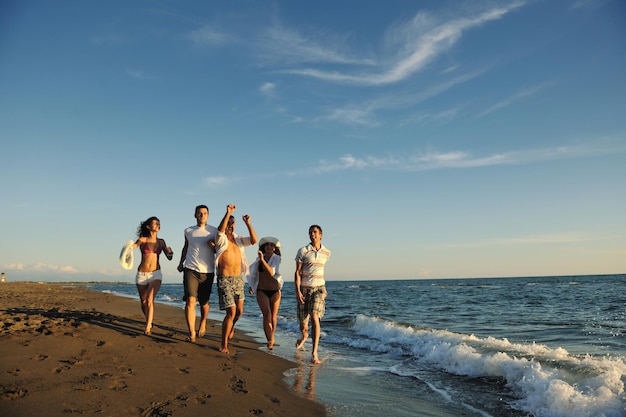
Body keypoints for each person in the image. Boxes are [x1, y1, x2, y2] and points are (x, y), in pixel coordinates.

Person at [215, 204, 258, 353]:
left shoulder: (238, 240)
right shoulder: (220, 239)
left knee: (239, 311)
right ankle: (224, 344)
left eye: (233, 224)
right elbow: (220, 230)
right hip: (224, 279)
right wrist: (228, 213)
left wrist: (248, 223)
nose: (231, 226)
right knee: (231, 311)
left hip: (238, 279)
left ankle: (231, 326)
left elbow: (254, 240)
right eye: (229, 223)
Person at [177, 205, 218, 342]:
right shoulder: (188, 231)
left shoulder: (214, 231)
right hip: (190, 269)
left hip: (208, 271)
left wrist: (214, 247)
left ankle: (203, 321)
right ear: (195, 215)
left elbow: (219, 250)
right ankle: (192, 333)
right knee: (190, 300)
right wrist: (180, 262)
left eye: (205, 213)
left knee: (204, 302)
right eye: (199, 213)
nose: (202, 215)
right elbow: (186, 247)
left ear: (208, 215)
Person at [294, 225, 331, 364]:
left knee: (315, 316)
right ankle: (304, 336)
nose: (312, 234)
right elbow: (297, 272)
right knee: (303, 326)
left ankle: (314, 353)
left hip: (319, 289)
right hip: (304, 289)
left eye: (315, 232)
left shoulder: (327, 252)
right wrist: (297, 291)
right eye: (310, 232)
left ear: (321, 235)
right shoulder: (303, 251)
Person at [131, 216, 173, 335]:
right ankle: (149, 320)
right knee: (144, 302)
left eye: (159, 223)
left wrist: (170, 252)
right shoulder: (142, 240)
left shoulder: (161, 242)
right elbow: (131, 248)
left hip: (156, 274)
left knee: (150, 300)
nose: (158, 225)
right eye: (155, 223)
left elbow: (169, 258)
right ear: (148, 227)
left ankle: (148, 327)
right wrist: (130, 248)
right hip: (141, 275)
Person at [247, 236, 283, 350]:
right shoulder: (258, 260)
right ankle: (270, 340)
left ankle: (272, 336)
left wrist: (263, 260)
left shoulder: (277, 258)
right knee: (266, 315)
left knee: (273, 317)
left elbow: (271, 271)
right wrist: (252, 286)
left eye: (272, 245)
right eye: (267, 245)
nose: (269, 247)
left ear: (274, 248)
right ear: (263, 247)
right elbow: (253, 274)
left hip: (275, 290)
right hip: (262, 290)